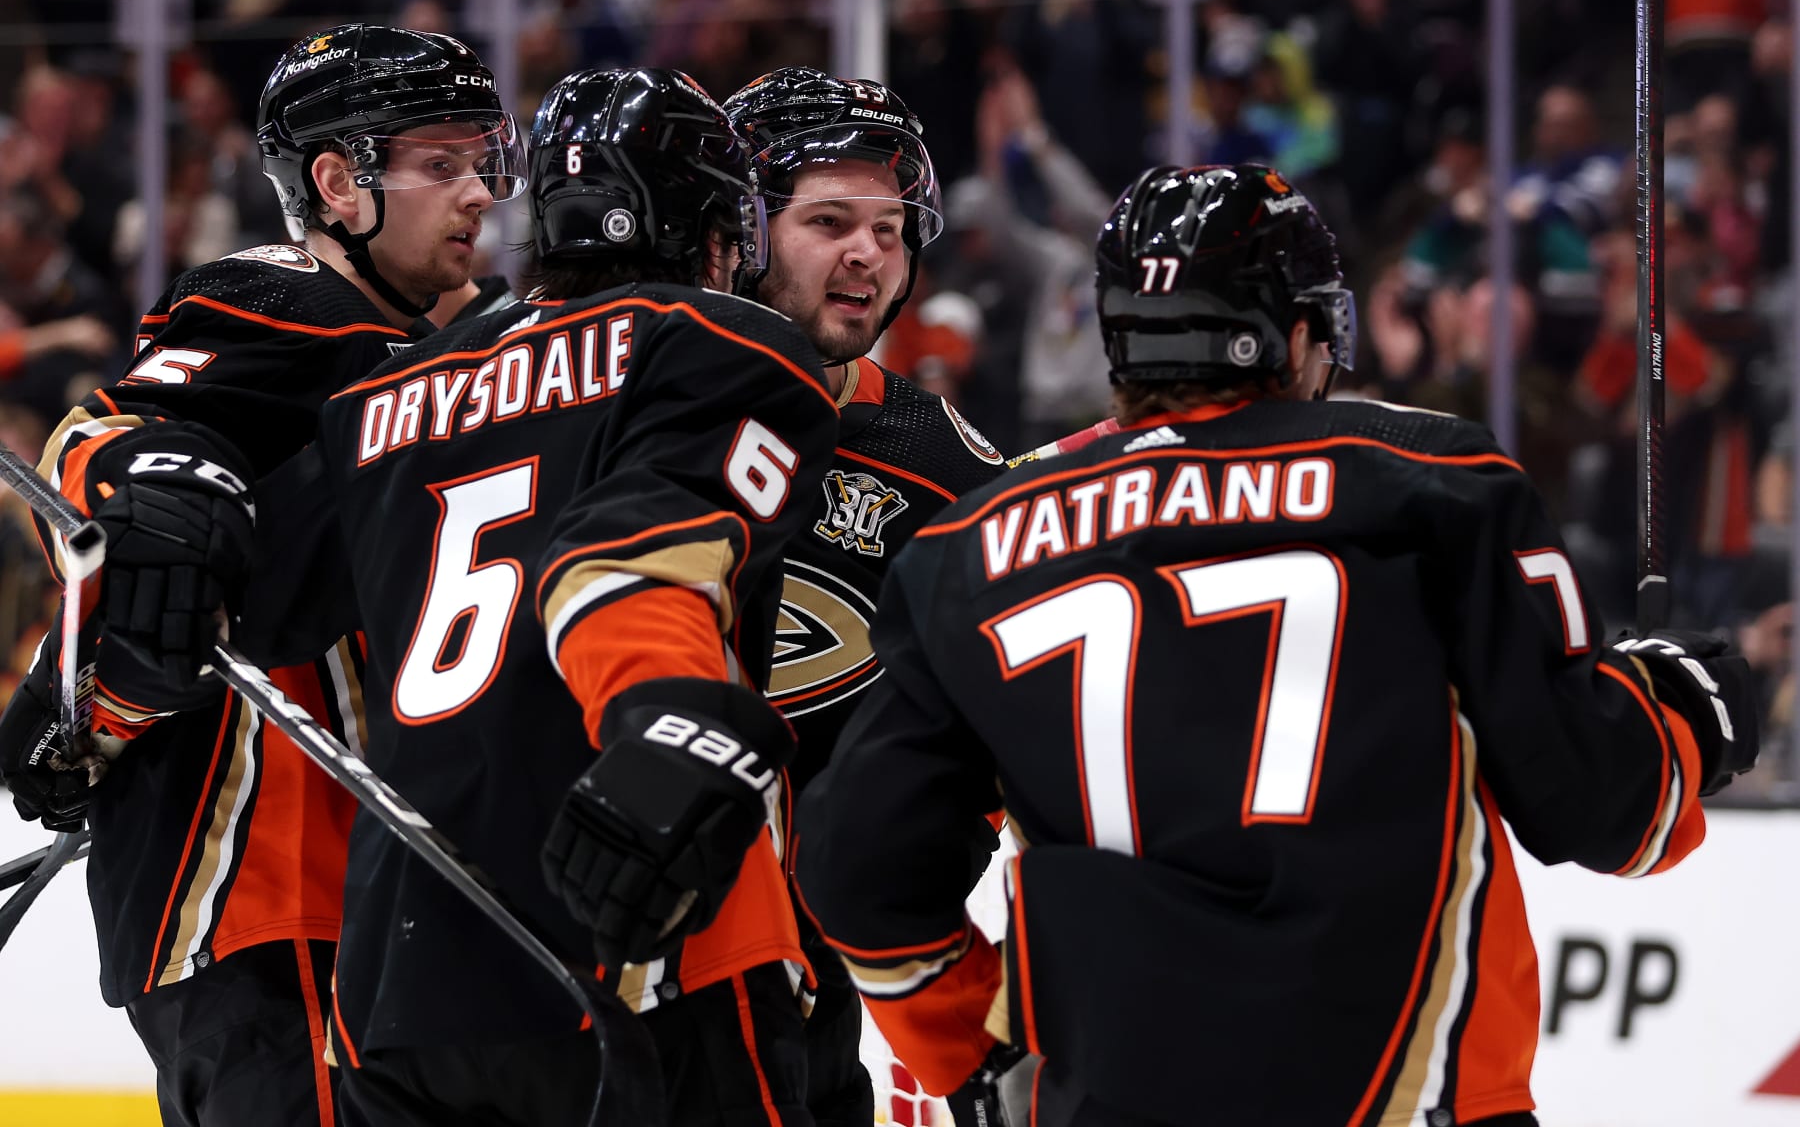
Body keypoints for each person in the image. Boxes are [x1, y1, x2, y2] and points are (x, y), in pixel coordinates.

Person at [793, 164, 1760, 1127]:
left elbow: (856, 874)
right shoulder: (1432, 479)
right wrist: (1687, 705)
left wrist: (975, 1058)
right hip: (1399, 1097)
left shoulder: (969, 546)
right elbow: (1599, 806)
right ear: (1301, 333)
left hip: (1110, 1097)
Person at [234, 67, 838, 1126]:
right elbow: (638, 560)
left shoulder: (381, 396)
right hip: (641, 936)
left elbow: (245, 606)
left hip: (400, 970)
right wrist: (668, 726)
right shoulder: (722, 342)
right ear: (709, 233)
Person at [0, 23, 522, 1126]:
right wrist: (155, 493)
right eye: (441, 164)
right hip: (254, 889)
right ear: (339, 183)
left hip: (374, 906)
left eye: (485, 162)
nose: (479, 194)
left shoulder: (446, 356)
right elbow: (118, 452)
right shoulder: (285, 296)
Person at [722, 66, 1007, 1126]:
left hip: (805, 998)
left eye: (891, 229)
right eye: (830, 221)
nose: (868, 256)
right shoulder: (608, 405)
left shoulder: (947, 471)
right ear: (741, 228)